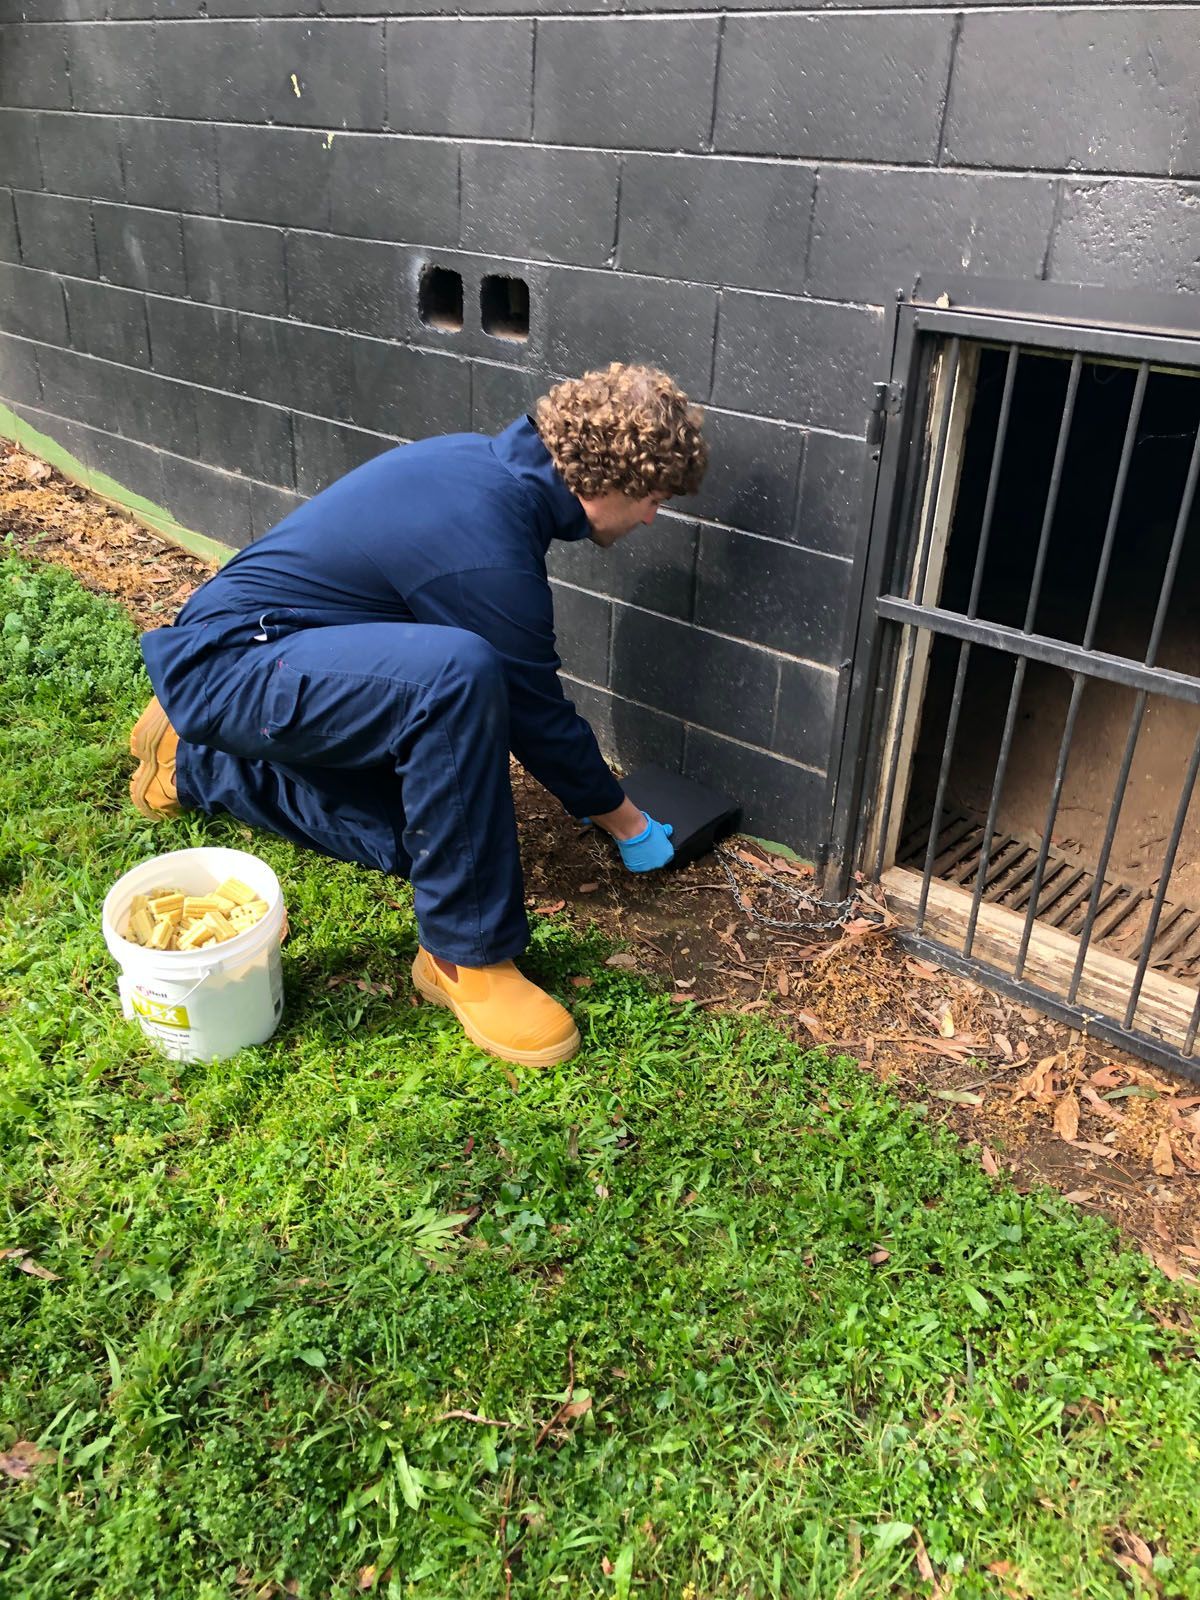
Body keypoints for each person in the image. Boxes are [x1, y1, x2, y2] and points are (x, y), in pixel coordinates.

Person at [129, 362, 708, 1068]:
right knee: (459, 676)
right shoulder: (485, 541)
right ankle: (467, 958)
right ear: (605, 481)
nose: (652, 516)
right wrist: (627, 822)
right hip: (235, 664)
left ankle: (199, 765)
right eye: (652, 497)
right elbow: (534, 713)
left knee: (440, 844)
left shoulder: (478, 468)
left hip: (275, 656)